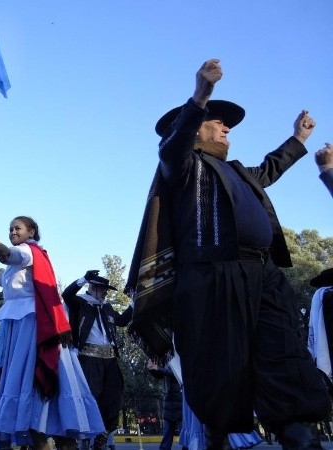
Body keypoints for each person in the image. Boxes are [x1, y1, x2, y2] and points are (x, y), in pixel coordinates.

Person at [128, 59, 330, 449]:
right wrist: (201, 96)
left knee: (283, 354)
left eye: (226, 123)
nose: (227, 127)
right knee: (221, 371)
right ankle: (218, 436)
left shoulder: (238, 171)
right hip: (213, 277)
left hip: (263, 274)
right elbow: (173, 144)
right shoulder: (182, 165)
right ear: (195, 126)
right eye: (217, 121)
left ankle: (298, 431)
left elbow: (271, 168)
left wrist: (298, 139)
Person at [0, 216, 104, 450]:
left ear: (32, 232)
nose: (12, 232)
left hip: (31, 324)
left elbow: (6, 255)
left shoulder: (29, 251)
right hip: (16, 326)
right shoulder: (20, 259)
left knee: (31, 378)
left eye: (17, 228)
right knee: (23, 382)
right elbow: (0, 277)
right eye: (10, 229)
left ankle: (52, 431)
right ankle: (42, 433)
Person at [61, 270, 132, 450]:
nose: (106, 293)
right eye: (103, 290)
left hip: (110, 359)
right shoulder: (80, 303)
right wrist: (83, 278)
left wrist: (136, 302)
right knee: (90, 398)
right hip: (88, 359)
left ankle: (103, 435)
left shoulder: (106, 307)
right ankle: (84, 439)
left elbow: (122, 321)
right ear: (92, 288)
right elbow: (66, 294)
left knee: (113, 398)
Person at [147, 362, 182, 450]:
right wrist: (152, 369)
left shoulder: (179, 361)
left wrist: (158, 368)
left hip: (180, 402)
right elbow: (161, 375)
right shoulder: (168, 362)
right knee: (167, 434)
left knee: (185, 433)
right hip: (169, 402)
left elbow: (173, 373)